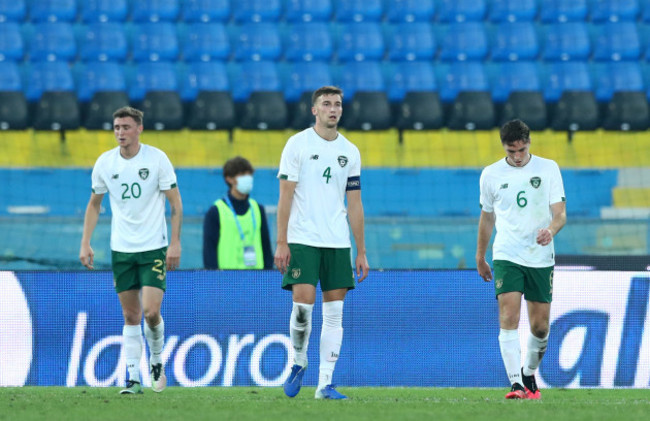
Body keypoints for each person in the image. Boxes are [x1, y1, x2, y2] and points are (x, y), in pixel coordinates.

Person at [79, 106, 183, 395]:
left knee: (151, 312)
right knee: (130, 315)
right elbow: (95, 204)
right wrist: (85, 242)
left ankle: (157, 359)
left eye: (125, 127)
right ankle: (133, 378)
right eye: (116, 128)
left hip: (153, 248)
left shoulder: (157, 159)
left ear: (139, 129)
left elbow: (175, 204)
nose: (120, 133)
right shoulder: (105, 163)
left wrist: (175, 242)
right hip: (121, 249)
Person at [275, 86, 370, 400]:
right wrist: (282, 241)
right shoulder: (297, 144)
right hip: (302, 239)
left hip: (337, 242)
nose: (333, 109)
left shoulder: (350, 152)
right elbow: (285, 195)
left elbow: (354, 203)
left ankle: (325, 384)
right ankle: (299, 360)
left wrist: (361, 250)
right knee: (303, 308)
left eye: (337, 104)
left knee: (334, 314)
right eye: (326, 104)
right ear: (314, 110)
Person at [476, 119, 566, 400]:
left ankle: (528, 372)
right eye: (511, 150)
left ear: (529, 143)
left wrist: (549, 231)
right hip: (507, 254)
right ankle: (515, 384)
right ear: (504, 146)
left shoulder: (548, 168)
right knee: (508, 316)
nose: (517, 156)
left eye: (522, 149)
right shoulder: (490, 175)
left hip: (540, 256)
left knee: (540, 327)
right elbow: (487, 218)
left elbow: (560, 213)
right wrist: (480, 255)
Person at [202, 156, 273, 269]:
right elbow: (209, 251)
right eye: (243, 175)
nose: (248, 178)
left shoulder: (258, 209)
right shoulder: (216, 211)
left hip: (257, 280)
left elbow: (266, 248)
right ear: (229, 179)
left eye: (249, 174)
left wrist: (268, 276)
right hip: (226, 280)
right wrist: (213, 282)